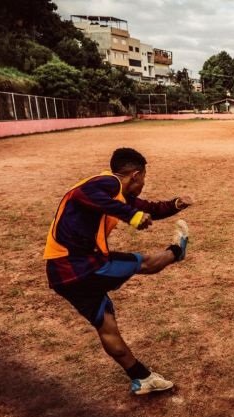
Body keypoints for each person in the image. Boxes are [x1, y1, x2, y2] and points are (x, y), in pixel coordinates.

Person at [43, 147, 192, 395]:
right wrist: (132, 216)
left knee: (106, 324)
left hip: (62, 273)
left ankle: (141, 378)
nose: (143, 183)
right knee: (143, 262)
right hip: (78, 266)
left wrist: (175, 204)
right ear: (135, 175)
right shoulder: (107, 182)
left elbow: (150, 208)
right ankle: (177, 251)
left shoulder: (115, 195)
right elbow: (82, 194)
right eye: (144, 177)